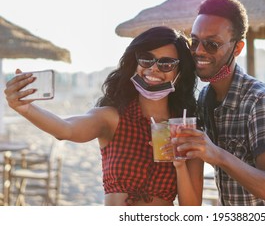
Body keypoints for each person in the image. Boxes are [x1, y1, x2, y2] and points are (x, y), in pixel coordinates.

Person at [4, 26, 204, 206]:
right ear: (135, 63)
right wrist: (26, 109)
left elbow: (191, 209)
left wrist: (179, 164)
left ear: (180, 72)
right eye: (146, 59)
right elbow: (65, 129)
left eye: (166, 64)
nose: (153, 68)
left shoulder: (185, 129)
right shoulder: (113, 118)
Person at [172, 0, 265, 206]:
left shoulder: (260, 101)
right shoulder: (205, 98)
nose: (199, 51)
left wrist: (216, 154)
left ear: (237, 48)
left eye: (212, 44)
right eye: (194, 41)